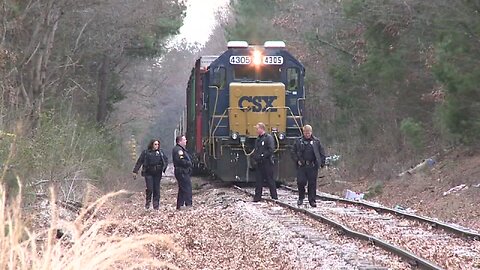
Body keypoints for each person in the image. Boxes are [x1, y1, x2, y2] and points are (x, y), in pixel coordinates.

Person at [291, 125, 326, 207]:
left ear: (311, 132)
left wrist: (322, 162)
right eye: (306, 133)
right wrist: (297, 160)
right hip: (302, 165)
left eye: (309, 133)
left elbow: (321, 152)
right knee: (300, 182)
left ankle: (312, 200)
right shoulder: (298, 141)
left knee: (312, 184)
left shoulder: (316, 141)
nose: (307, 134)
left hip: (312, 165)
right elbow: (293, 152)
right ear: (303, 132)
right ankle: (301, 197)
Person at [133, 139, 168, 210]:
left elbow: (165, 160)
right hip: (148, 172)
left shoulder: (160, 153)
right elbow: (140, 161)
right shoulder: (146, 153)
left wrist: (163, 168)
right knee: (150, 188)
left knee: (156, 189)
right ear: (152, 144)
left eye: (158, 144)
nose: (157, 146)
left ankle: (156, 204)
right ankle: (148, 201)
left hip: (157, 173)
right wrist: (135, 171)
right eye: (155, 144)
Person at [252, 122, 278, 202]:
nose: (256, 130)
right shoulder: (258, 139)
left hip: (267, 162)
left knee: (270, 180)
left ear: (261, 129)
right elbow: (256, 150)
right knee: (258, 181)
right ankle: (257, 197)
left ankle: (274, 197)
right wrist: (255, 157)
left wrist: (263, 156)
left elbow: (271, 149)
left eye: (257, 129)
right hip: (259, 163)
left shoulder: (268, 138)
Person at [172, 135, 193, 210]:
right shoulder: (178, 150)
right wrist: (188, 163)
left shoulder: (181, 149)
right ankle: (188, 204)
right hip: (182, 171)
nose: (186, 141)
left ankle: (180, 205)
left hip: (182, 171)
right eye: (184, 140)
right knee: (187, 187)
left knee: (182, 189)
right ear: (180, 141)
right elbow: (180, 160)